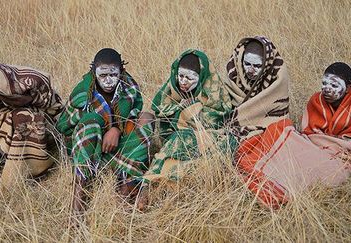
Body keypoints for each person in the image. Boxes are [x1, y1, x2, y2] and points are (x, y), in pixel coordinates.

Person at [225, 36, 350, 209]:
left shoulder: (275, 81)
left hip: (274, 130)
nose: (251, 70)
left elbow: (280, 118)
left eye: (257, 65)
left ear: (267, 64)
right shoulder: (232, 80)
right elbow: (310, 131)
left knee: (304, 158)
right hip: (249, 134)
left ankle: (285, 184)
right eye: (247, 64)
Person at [57, 48, 154, 213]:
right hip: (88, 150)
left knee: (147, 117)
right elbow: (64, 127)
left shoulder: (129, 87)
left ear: (121, 71)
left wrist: (116, 128)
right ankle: (79, 197)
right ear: (94, 72)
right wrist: (101, 126)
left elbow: (134, 115)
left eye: (113, 75)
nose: (108, 81)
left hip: (117, 147)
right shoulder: (83, 92)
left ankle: (126, 184)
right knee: (91, 121)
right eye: (102, 76)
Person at [137, 49, 234, 210]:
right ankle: (151, 185)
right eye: (180, 76)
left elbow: (215, 120)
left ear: (201, 77)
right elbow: (159, 107)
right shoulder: (173, 88)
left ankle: (152, 183)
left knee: (186, 145)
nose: (183, 81)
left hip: (206, 139)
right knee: (174, 137)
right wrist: (179, 108)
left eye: (190, 78)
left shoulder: (213, 90)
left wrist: (193, 109)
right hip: (173, 137)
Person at [0, 63, 63, 188]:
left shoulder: (32, 84)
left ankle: (21, 173)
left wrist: (14, 112)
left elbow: (54, 109)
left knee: (23, 118)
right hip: (8, 113)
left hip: (47, 122)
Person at [301, 62, 351, 156]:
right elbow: (308, 134)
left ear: (348, 88)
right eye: (324, 83)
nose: (327, 89)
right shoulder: (316, 100)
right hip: (316, 146)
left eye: (334, 86)